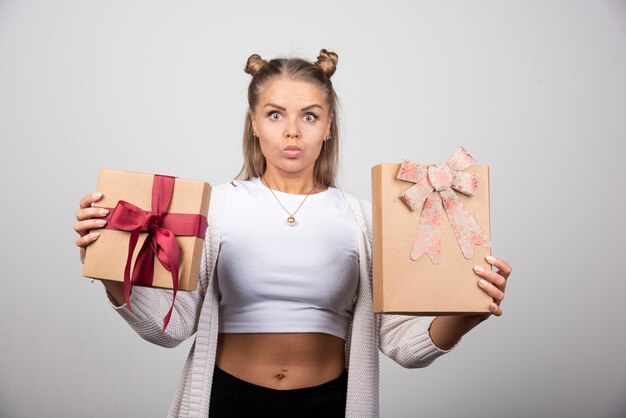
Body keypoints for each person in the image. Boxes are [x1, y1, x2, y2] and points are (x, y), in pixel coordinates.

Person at [74, 49, 512, 418]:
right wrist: (109, 266)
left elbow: (400, 345)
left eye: (309, 115)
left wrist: (470, 311)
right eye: (275, 114)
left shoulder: (364, 221)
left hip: (328, 405)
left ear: (328, 126)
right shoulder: (216, 208)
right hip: (227, 402)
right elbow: (171, 326)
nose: (292, 130)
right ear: (254, 122)